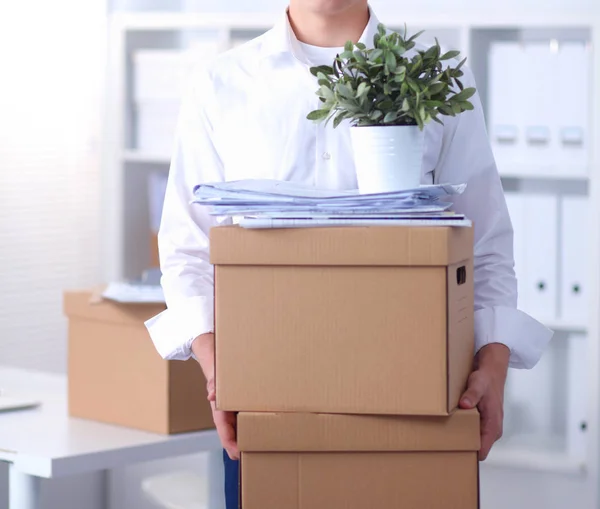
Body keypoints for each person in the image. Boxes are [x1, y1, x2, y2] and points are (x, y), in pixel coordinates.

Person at [145, 1, 552, 507]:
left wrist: (493, 366)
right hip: (267, 404)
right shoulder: (223, 84)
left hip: (419, 408)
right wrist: (216, 368)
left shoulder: (435, 75)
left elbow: (484, 239)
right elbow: (187, 245)